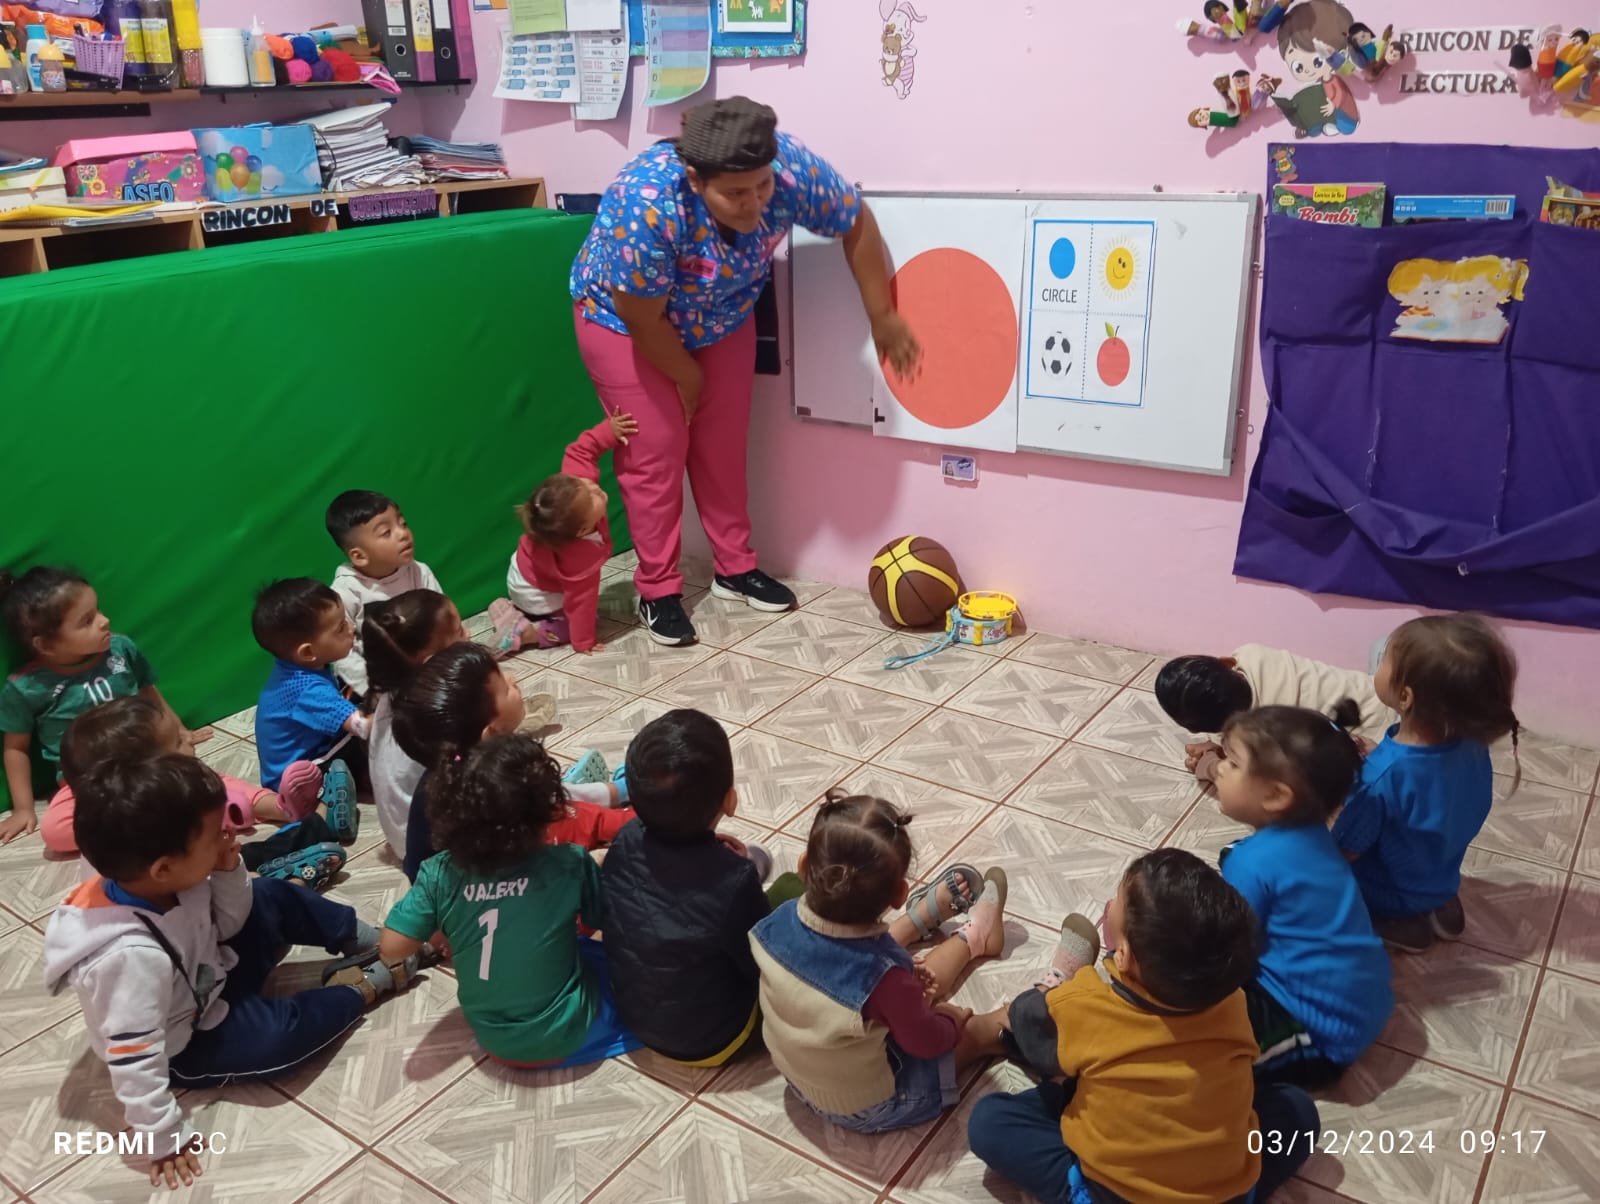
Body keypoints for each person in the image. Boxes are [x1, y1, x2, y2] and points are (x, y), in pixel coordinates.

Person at [569, 96, 922, 646]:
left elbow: (855, 221)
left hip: (723, 314)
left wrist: (882, 316)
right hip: (624, 323)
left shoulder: (790, 169)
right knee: (656, 451)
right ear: (695, 179)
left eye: (761, 186)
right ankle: (657, 590)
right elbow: (640, 314)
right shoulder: (646, 202)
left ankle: (735, 568)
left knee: (722, 446)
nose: (754, 202)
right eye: (735, 193)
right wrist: (687, 378)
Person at [43, 754, 417, 1189]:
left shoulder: (161, 876)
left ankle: (367, 939)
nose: (229, 834)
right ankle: (360, 989)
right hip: (186, 1039)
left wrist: (224, 866)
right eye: (213, 835)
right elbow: (135, 1057)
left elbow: (232, 921)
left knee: (268, 893)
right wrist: (162, 1137)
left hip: (210, 971)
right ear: (163, 868)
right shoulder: (126, 959)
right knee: (276, 1040)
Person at [969, 848, 1320, 1204]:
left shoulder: (1089, 1004)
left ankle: (1080, 1193)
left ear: (1121, 954)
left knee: (990, 1121)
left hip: (1117, 1196)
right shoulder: (1234, 1002)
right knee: (1298, 1112)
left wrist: (1050, 996)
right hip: (1227, 1196)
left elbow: (1027, 1022)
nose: (1110, 905)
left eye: (1117, 901)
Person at [750, 793, 1007, 1133]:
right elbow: (926, 1042)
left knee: (898, 983)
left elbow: (837, 967)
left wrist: (903, 993)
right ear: (899, 895)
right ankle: (1009, 1009)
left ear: (802, 865)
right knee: (971, 1033)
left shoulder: (776, 921)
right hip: (867, 1106)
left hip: (797, 1078)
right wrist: (951, 1022)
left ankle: (969, 938)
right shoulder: (884, 977)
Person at [378, 733, 638, 1067]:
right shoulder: (569, 862)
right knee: (623, 971)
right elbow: (603, 923)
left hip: (492, 1039)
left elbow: (391, 948)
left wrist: (443, 926)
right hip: (565, 1034)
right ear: (549, 814)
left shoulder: (438, 873)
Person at [601, 708, 818, 1067]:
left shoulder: (624, 838)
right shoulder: (734, 882)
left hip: (636, 1018)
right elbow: (762, 966)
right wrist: (739, 874)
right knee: (791, 892)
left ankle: (751, 864)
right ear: (730, 801)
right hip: (716, 1039)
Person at [1212, 704, 1394, 1086]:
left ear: (1277, 796)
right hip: (1361, 1006)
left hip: (1317, 1034)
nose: (1220, 768)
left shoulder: (1253, 864)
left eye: (1233, 762)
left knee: (1198, 1037)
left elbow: (1225, 947)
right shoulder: (1314, 835)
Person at [1333, 614, 1520, 953]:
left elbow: (1347, 848)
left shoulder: (1381, 777)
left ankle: (1397, 922)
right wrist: (1381, 758)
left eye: (1384, 659)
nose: (1378, 663)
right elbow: (1430, 787)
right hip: (1441, 872)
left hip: (1385, 889)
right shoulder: (1473, 745)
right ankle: (1437, 905)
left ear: (1405, 697)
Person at [41, 697, 348, 887]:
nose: (189, 739)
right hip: (206, 900)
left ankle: (319, 824)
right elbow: (197, 900)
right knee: (258, 882)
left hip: (210, 872)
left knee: (251, 852)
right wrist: (243, 880)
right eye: (177, 741)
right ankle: (292, 880)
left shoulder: (163, 802)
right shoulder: (137, 847)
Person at [391, 642, 629, 883]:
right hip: (504, 885)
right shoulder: (500, 790)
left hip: (448, 888)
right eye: (505, 688)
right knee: (577, 818)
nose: (513, 679)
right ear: (490, 732)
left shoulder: (446, 773)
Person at [0, 566, 197, 843]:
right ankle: (146, 820)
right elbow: (16, 748)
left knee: (200, 783)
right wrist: (23, 809)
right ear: (45, 644)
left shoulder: (121, 649)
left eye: (98, 610)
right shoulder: (25, 687)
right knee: (55, 833)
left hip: (146, 761)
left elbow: (149, 692)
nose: (105, 621)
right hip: (87, 785)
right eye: (87, 620)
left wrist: (179, 731)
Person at [496, 412, 638, 656]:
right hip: (535, 591)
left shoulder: (574, 488)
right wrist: (583, 640)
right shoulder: (579, 561)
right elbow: (581, 601)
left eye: (587, 486)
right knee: (580, 622)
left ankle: (506, 610)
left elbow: (580, 451)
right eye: (592, 497)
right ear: (582, 530)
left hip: (522, 573)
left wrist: (609, 431)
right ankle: (527, 633)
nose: (594, 487)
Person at [1155, 640, 1398, 778]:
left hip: (1378, 746)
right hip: (1386, 695)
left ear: (1194, 729)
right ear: (1228, 662)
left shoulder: (1255, 739)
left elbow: (1238, 779)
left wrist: (1208, 763)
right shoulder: (1251, 654)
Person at [362, 590, 469, 856]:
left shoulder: (390, 699)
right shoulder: (439, 715)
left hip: (404, 842)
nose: (468, 635)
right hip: (437, 851)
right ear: (434, 662)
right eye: (459, 631)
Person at [251, 579, 368, 812]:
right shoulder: (307, 690)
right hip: (301, 774)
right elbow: (362, 726)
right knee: (368, 736)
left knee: (360, 696)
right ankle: (320, 800)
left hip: (307, 753)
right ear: (307, 652)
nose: (351, 628)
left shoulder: (299, 669)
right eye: (340, 628)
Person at [324, 490, 443, 697]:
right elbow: (342, 654)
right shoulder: (346, 592)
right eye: (386, 532)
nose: (403, 534)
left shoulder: (418, 572)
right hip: (375, 681)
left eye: (403, 524)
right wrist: (373, 690)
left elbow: (443, 617)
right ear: (359, 556)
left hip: (424, 665)